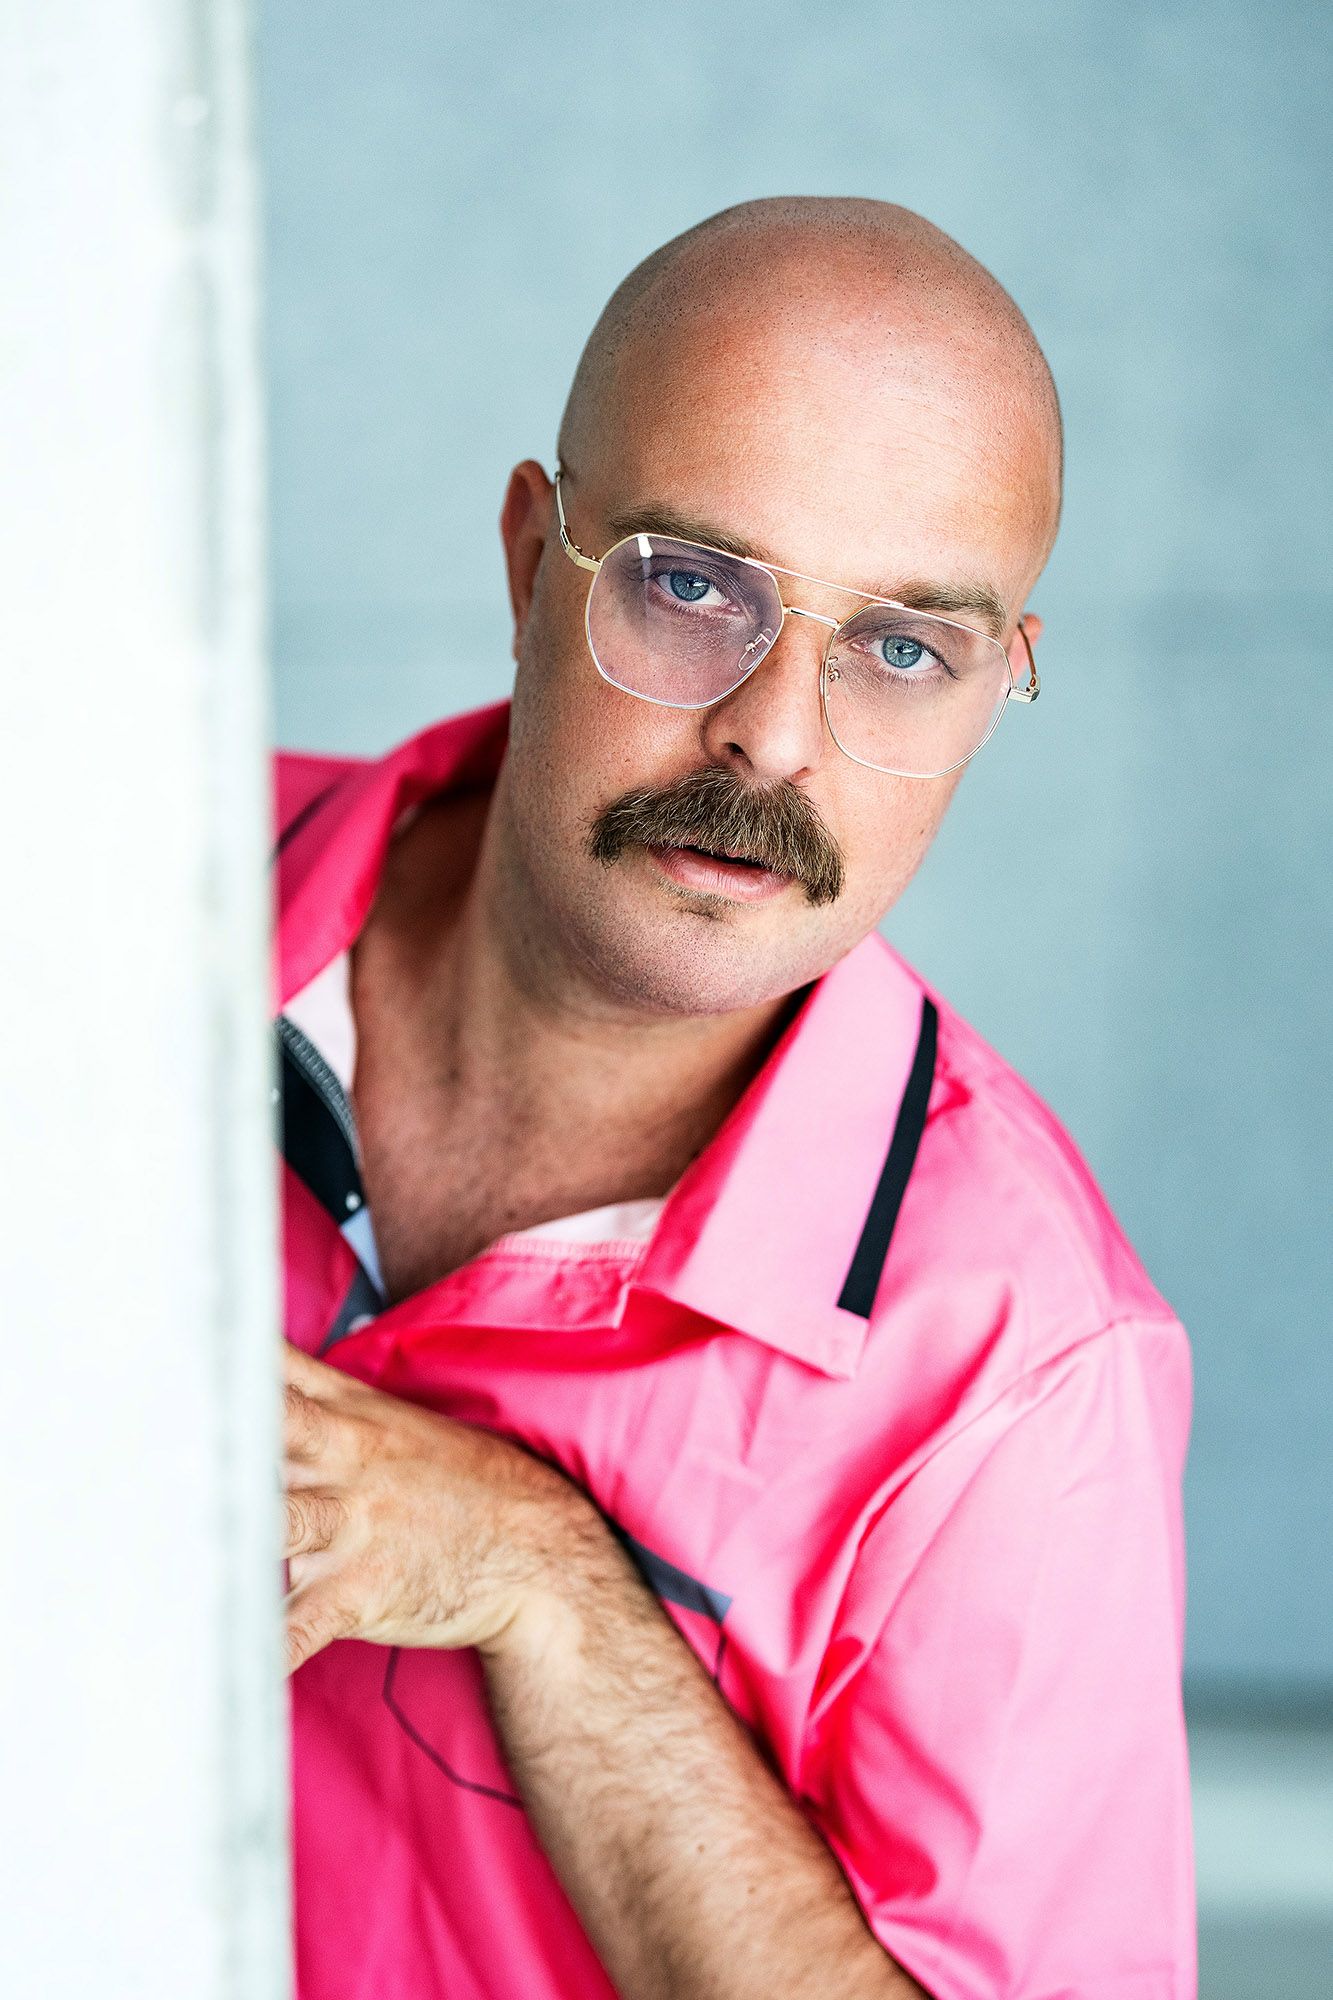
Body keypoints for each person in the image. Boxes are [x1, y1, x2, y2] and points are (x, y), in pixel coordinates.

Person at [278, 196, 1194, 2000]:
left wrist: (546, 1584)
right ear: (532, 563)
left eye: (904, 648)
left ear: (994, 689)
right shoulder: (101, 894)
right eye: (692, 585)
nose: (771, 736)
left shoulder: (1022, 1373)